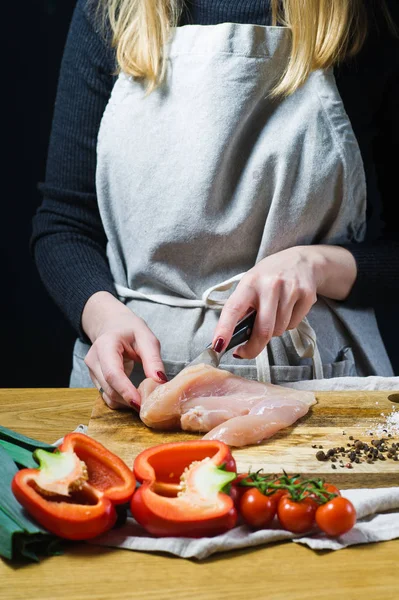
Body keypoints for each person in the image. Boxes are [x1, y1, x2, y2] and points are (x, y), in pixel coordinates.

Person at [31, 0, 399, 409]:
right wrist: (103, 318)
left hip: (320, 382)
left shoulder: (362, 13)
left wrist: (316, 266)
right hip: (130, 389)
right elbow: (64, 224)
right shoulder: (112, 11)